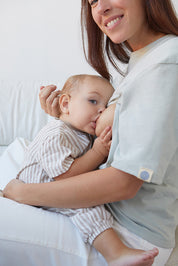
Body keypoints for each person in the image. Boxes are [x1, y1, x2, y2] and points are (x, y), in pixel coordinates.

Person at [3, 0, 178, 265]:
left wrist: (23, 193)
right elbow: (120, 141)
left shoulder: (165, 62)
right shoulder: (142, 59)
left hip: (126, 231)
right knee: (18, 148)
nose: (101, 8)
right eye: (93, 1)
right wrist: (65, 121)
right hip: (108, 209)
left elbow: (126, 181)